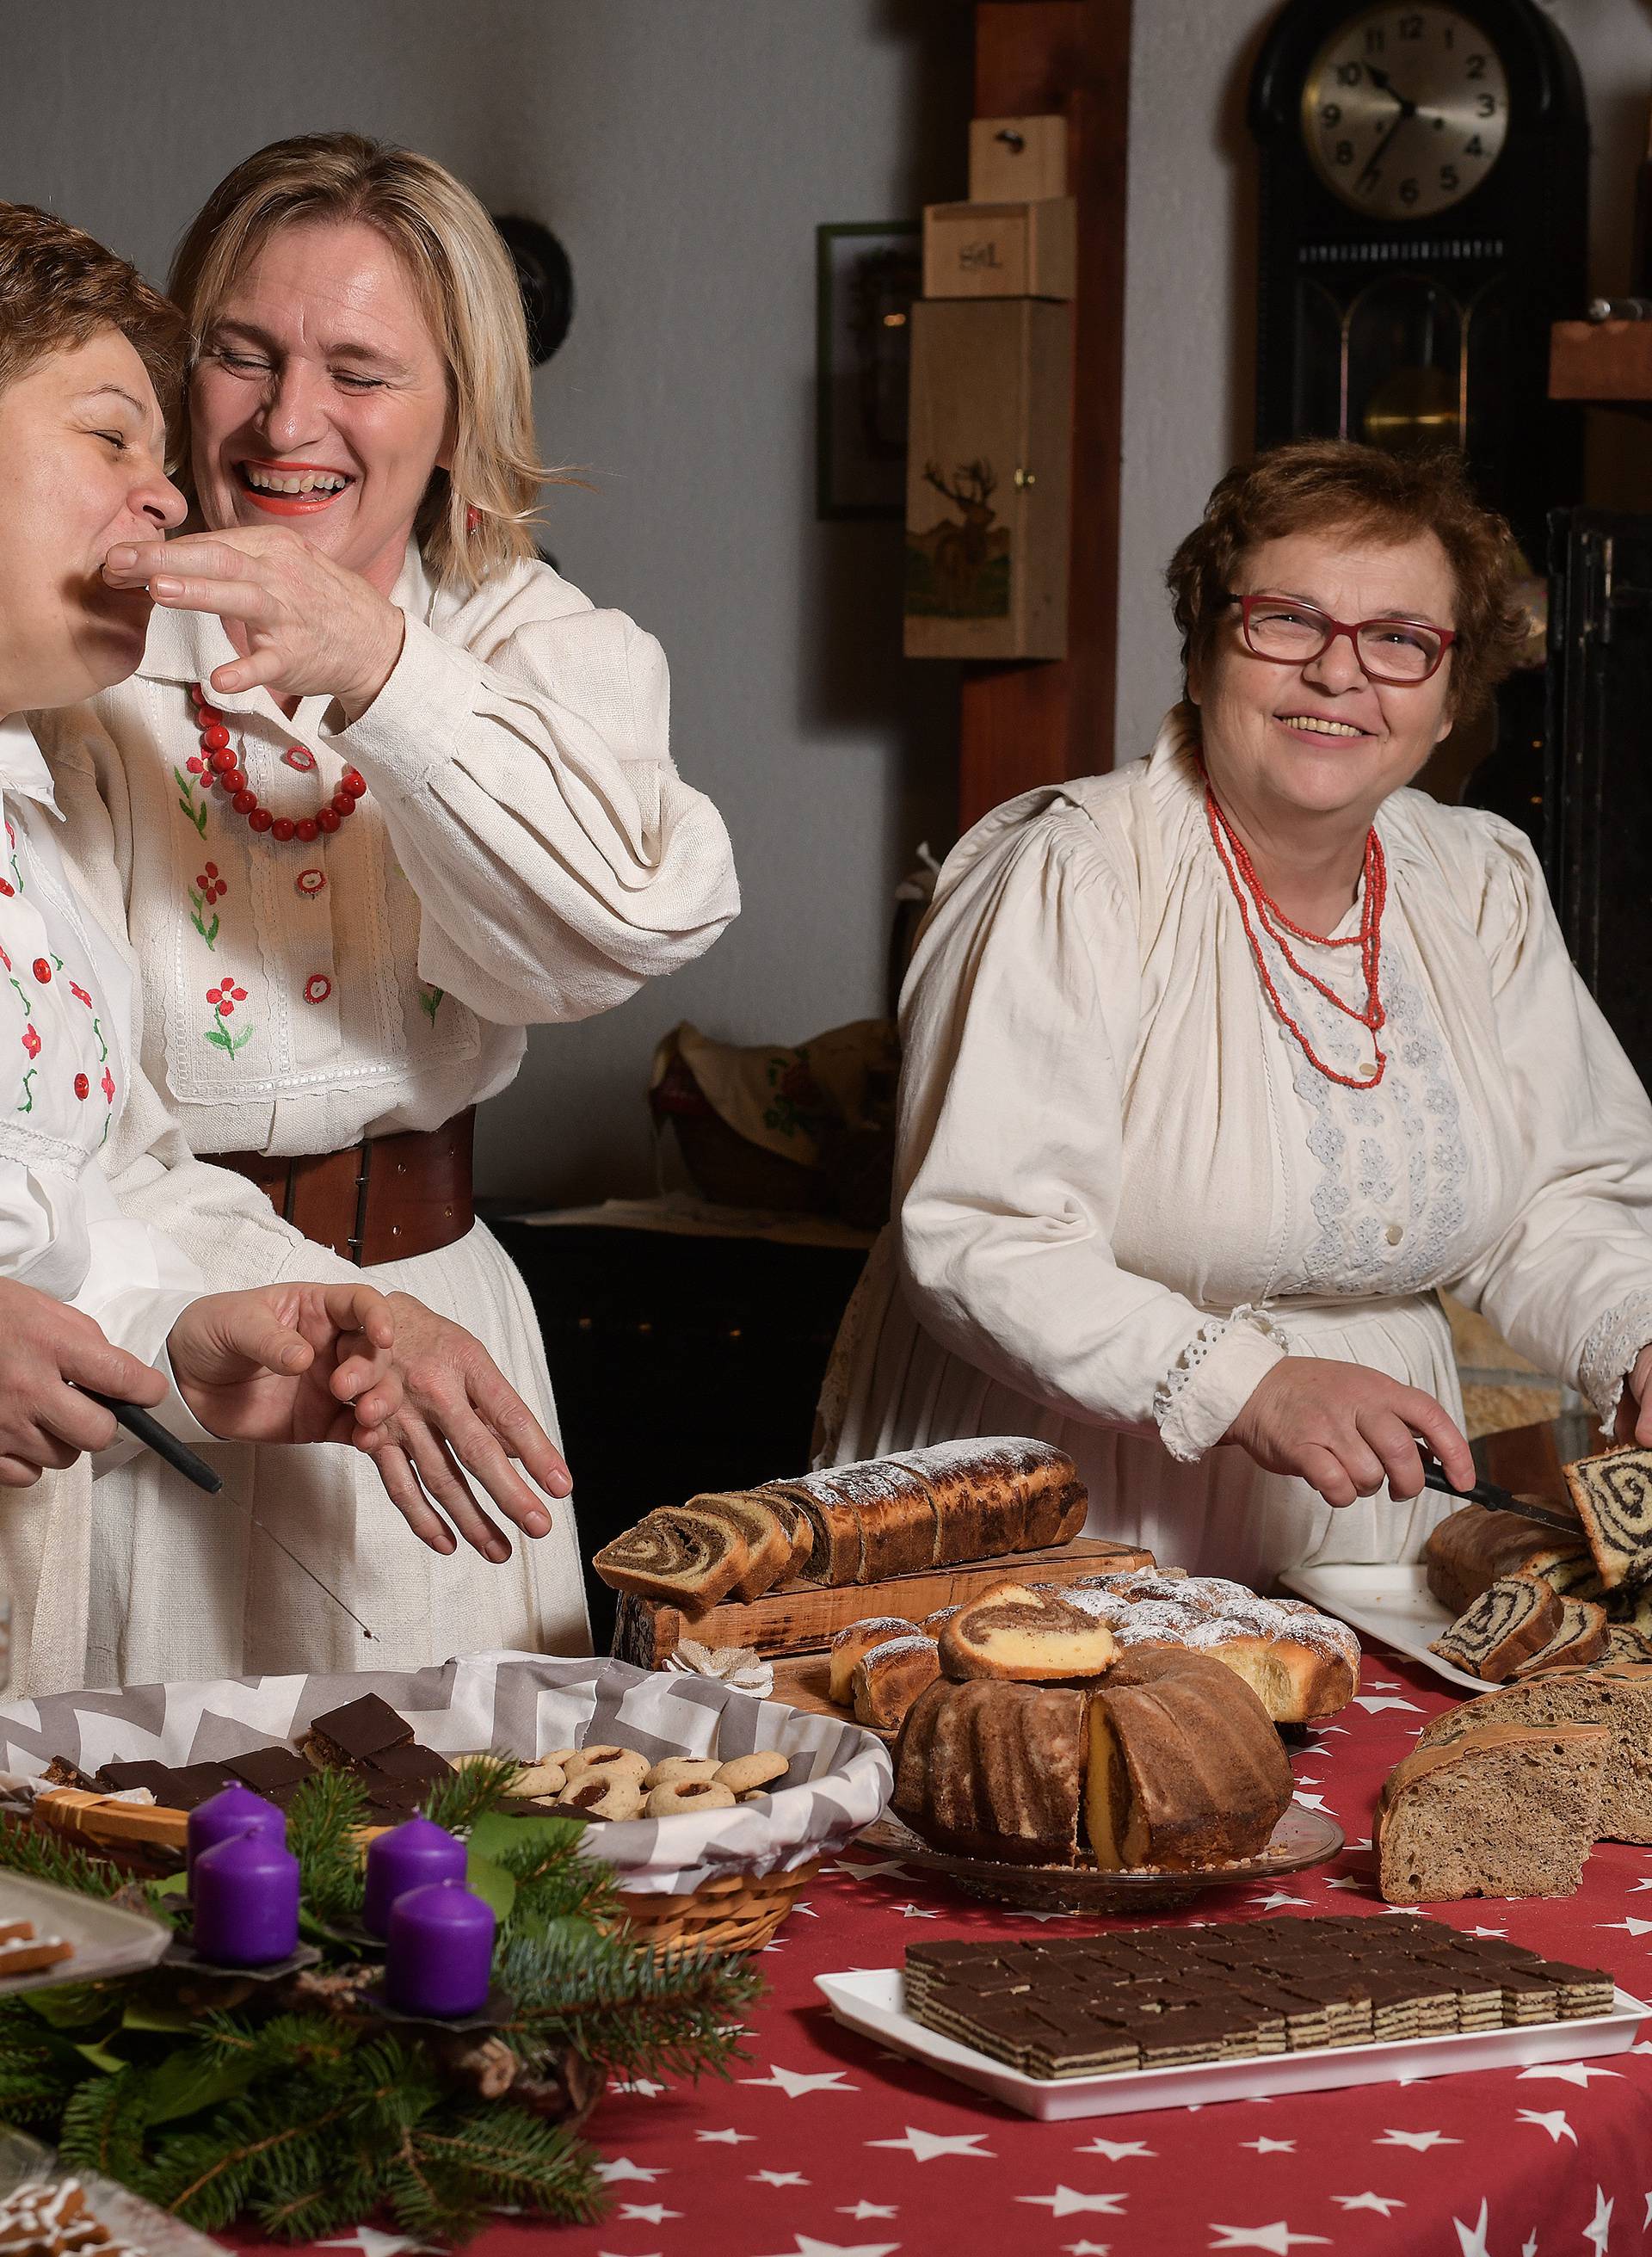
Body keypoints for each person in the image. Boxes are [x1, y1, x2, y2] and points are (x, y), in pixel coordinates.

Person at [36, 135, 739, 1677]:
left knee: (466, 1857)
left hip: (420, 1334)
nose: (291, 420)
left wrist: (385, 675)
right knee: (122, 1866)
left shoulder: (537, 647)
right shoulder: (71, 640)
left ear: (459, 413)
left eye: (360, 370)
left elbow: (608, 932)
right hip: (126, 1325)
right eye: (241, 354)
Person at [820, 440, 1652, 1589]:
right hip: (1063, 1496)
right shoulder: (1075, 871)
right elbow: (984, 1234)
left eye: (1400, 641)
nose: (1338, 674)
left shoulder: (1480, 882)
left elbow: (1557, 1201)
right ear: (1207, 645)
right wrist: (1242, 1383)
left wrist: (1636, 1337)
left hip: (1364, 1517)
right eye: (1288, 621)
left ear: (1452, 696)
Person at [0, 201, 570, 1694]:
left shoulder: (30, 822)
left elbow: (93, 1178)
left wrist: (198, 1329)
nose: (170, 497)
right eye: (116, 438)